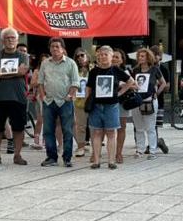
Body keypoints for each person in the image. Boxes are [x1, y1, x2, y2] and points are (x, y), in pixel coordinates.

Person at [0, 28, 30, 166]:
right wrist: (14, 72)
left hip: (18, 96)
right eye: (7, 38)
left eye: (13, 38)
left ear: (17, 40)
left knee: (19, 127)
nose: (10, 40)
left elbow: (23, 70)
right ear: (3, 40)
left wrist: (2, 72)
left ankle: (17, 155)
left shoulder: (23, 56)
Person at [38, 38, 80, 167]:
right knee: (47, 131)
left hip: (65, 102)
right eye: (52, 46)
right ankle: (51, 157)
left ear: (62, 48)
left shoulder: (71, 63)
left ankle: (67, 158)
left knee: (67, 130)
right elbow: (40, 82)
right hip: (49, 101)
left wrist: (70, 95)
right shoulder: (45, 63)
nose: (55, 48)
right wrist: (43, 97)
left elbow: (75, 82)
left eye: (57, 46)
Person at [85, 45, 128, 169]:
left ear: (111, 56)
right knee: (97, 132)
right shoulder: (93, 71)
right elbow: (89, 88)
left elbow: (131, 82)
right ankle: (97, 161)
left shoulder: (116, 70)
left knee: (111, 132)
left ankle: (111, 161)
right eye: (100, 54)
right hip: (96, 106)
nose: (102, 56)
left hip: (112, 106)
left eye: (105, 54)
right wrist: (88, 101)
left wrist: (120, 93)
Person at [129, 48, 166, 160]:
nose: (140, 58)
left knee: (150, 127)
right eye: (139, 56)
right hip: (137, 100)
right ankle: (140, 150)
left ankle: (152, 151)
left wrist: (157, 93)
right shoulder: (135, 70)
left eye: (143, 56)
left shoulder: (154, 69)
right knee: (138, 127)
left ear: (148, 57)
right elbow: (130, 83)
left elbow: (163, 83)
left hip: (150, 100)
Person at [73, 48, 90, 158]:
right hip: (79, 101)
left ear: (87, 56)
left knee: (94, 127)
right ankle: (81, 147)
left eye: (82, 55)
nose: (80, 58)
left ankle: (95, 148)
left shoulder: (94, 69)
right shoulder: (74, 70)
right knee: (80, 126)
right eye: (77, 56)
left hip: (92, 101)